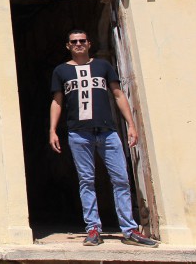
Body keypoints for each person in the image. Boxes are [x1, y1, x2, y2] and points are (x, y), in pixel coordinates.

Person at [49, 29, 158, 247]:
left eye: (82, 41)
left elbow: (118, 94)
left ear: (89, 43)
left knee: (121, 179)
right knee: (86, 181)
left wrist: (131, 125)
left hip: (108, 132)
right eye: (74, 42)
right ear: (68, 46)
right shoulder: (61, 71)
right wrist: (52, 130)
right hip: (78, 133)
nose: (78, 44)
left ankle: (129, 229)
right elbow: (57, 101)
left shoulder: (102, 66)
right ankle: (93, 229)